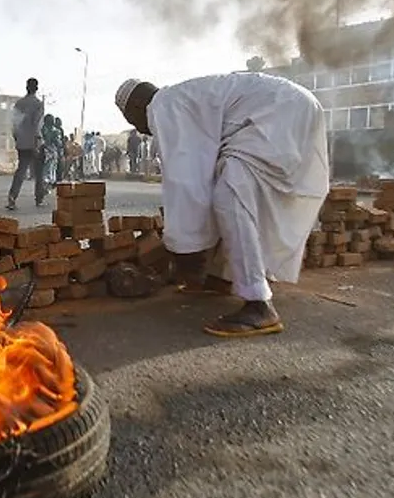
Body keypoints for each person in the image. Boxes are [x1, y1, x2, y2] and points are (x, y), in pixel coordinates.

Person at [114, 73, 329, 337]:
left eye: (133, 121)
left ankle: (259, 305)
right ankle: (223, 277)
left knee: (230, 195)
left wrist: (184, 249)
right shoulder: (184, 97)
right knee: (228, 185)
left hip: (278, 112)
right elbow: (202, 173)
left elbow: (185, 180)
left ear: (136, 108)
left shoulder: (162, 105)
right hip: (295, 105)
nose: (139, 129)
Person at [8, 77, 45, 210]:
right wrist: (36, 142)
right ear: (36, 88)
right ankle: (39, 198)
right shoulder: (38, 104)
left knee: (21, 170)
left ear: (26, 87)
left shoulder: (19, 103)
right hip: (34, 142)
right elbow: (37, 124)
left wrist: (17, 138)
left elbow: (14, 123)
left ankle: (12, 197)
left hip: (22, 142)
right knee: (39, 172)